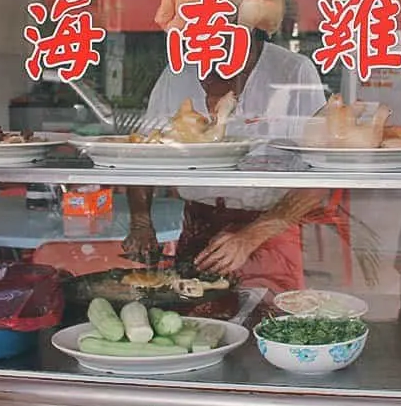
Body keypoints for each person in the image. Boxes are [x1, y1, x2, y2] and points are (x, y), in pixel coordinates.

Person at [123, 32, 328, 295]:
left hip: (270, 231)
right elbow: (142, 153)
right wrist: (141, 221)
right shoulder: (178, 73)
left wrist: (252, 236)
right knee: (197, 324)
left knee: (270, 323)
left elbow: (321, 176)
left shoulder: (292, 71)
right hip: (198, 229)